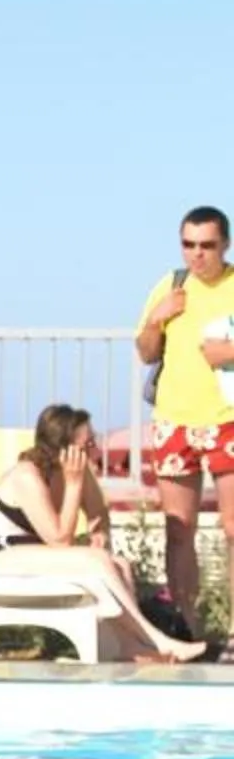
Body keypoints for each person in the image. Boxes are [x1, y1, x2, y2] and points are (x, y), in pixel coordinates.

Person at [0, 403, 212, 663]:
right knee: (97, 560)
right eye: (87, 445)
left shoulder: (78, 471)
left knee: (117, 564)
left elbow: (98, 514)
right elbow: (60, 539)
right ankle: (156, 639)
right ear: (63, 448)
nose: (95, 450)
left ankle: (128, 646)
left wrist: (100, 535)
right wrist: (73, 484)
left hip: (37, 553)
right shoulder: (27, 475)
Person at [130, 205, 234, 629]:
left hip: (227, 419)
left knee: (232, 528)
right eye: (188, 245)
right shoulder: (170, 285)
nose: (197, 255)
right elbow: (146, 351)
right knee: (178, 529)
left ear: (224, 244)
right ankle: (187, 625)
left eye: (207, 245)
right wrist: (157, 321)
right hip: (174, 420)